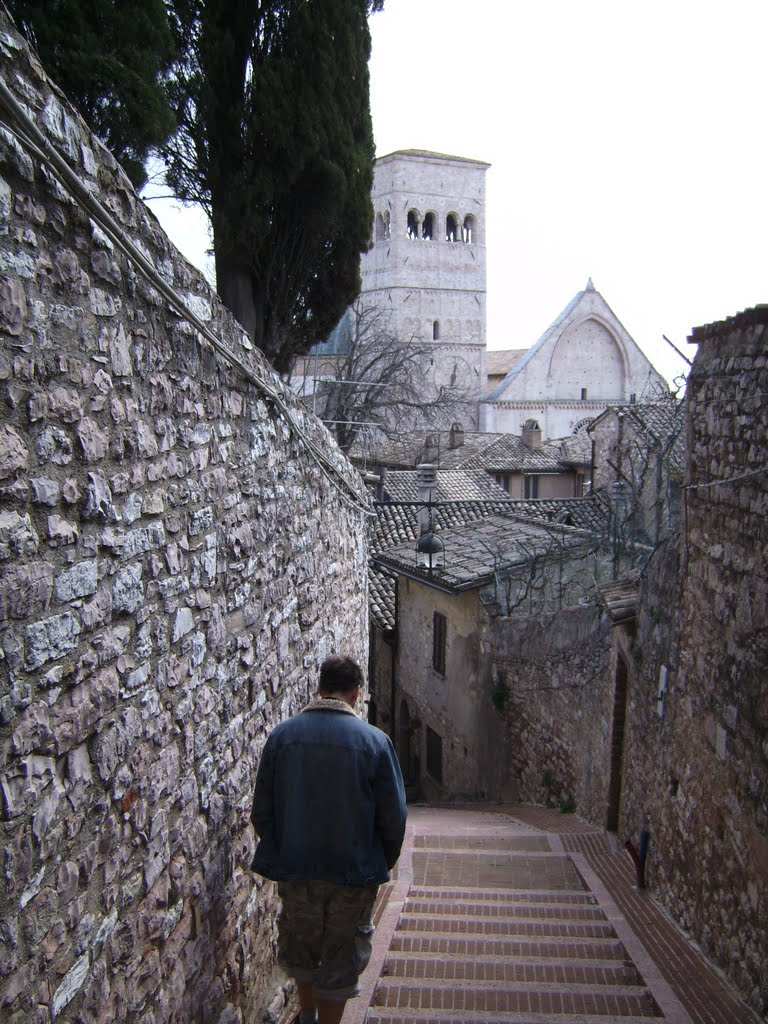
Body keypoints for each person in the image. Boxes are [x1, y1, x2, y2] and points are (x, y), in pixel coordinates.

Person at [251, 655, 407, 1024]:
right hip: (352, 872)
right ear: (355, 693)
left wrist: (285, 847)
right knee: (340, 955)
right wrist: (378, 862)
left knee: (302, 946)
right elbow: (393, 817)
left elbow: (262, 811)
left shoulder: (282, 737)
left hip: (297, 867)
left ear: (319, 688)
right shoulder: (376, 743)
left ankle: (306, 1015)